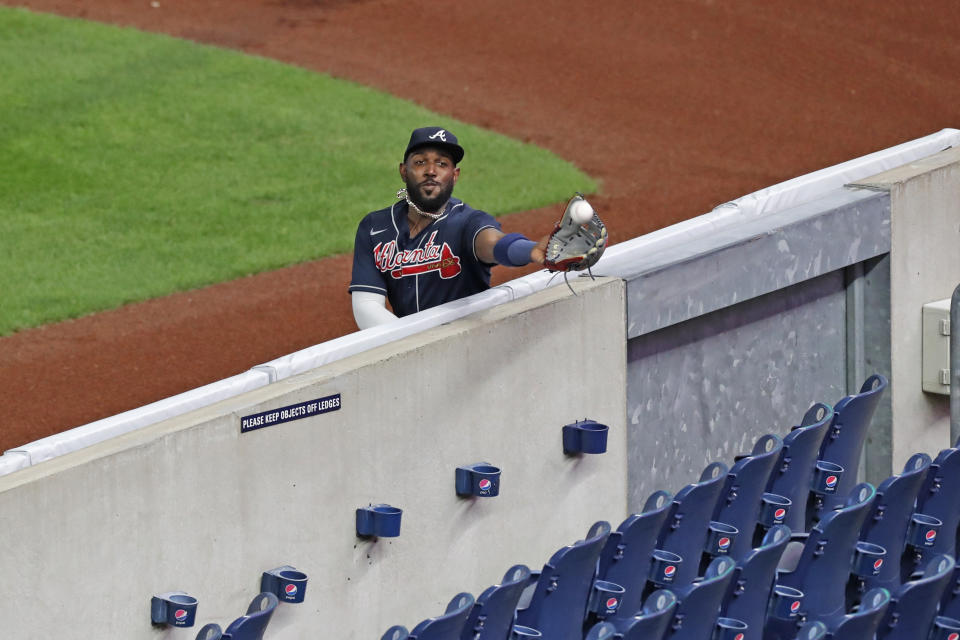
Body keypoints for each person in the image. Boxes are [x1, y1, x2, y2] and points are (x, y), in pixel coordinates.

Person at [349, 126, 548, 329]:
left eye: (442, 164)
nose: (431, 171)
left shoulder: (468, 222)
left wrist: (531, 250)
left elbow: (493, 243)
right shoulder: (375, 227)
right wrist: (413, 343)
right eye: (419, 162)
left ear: (454, 175)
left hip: (470, 345)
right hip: (409, 349)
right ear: (403, 171)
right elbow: (366, 306)